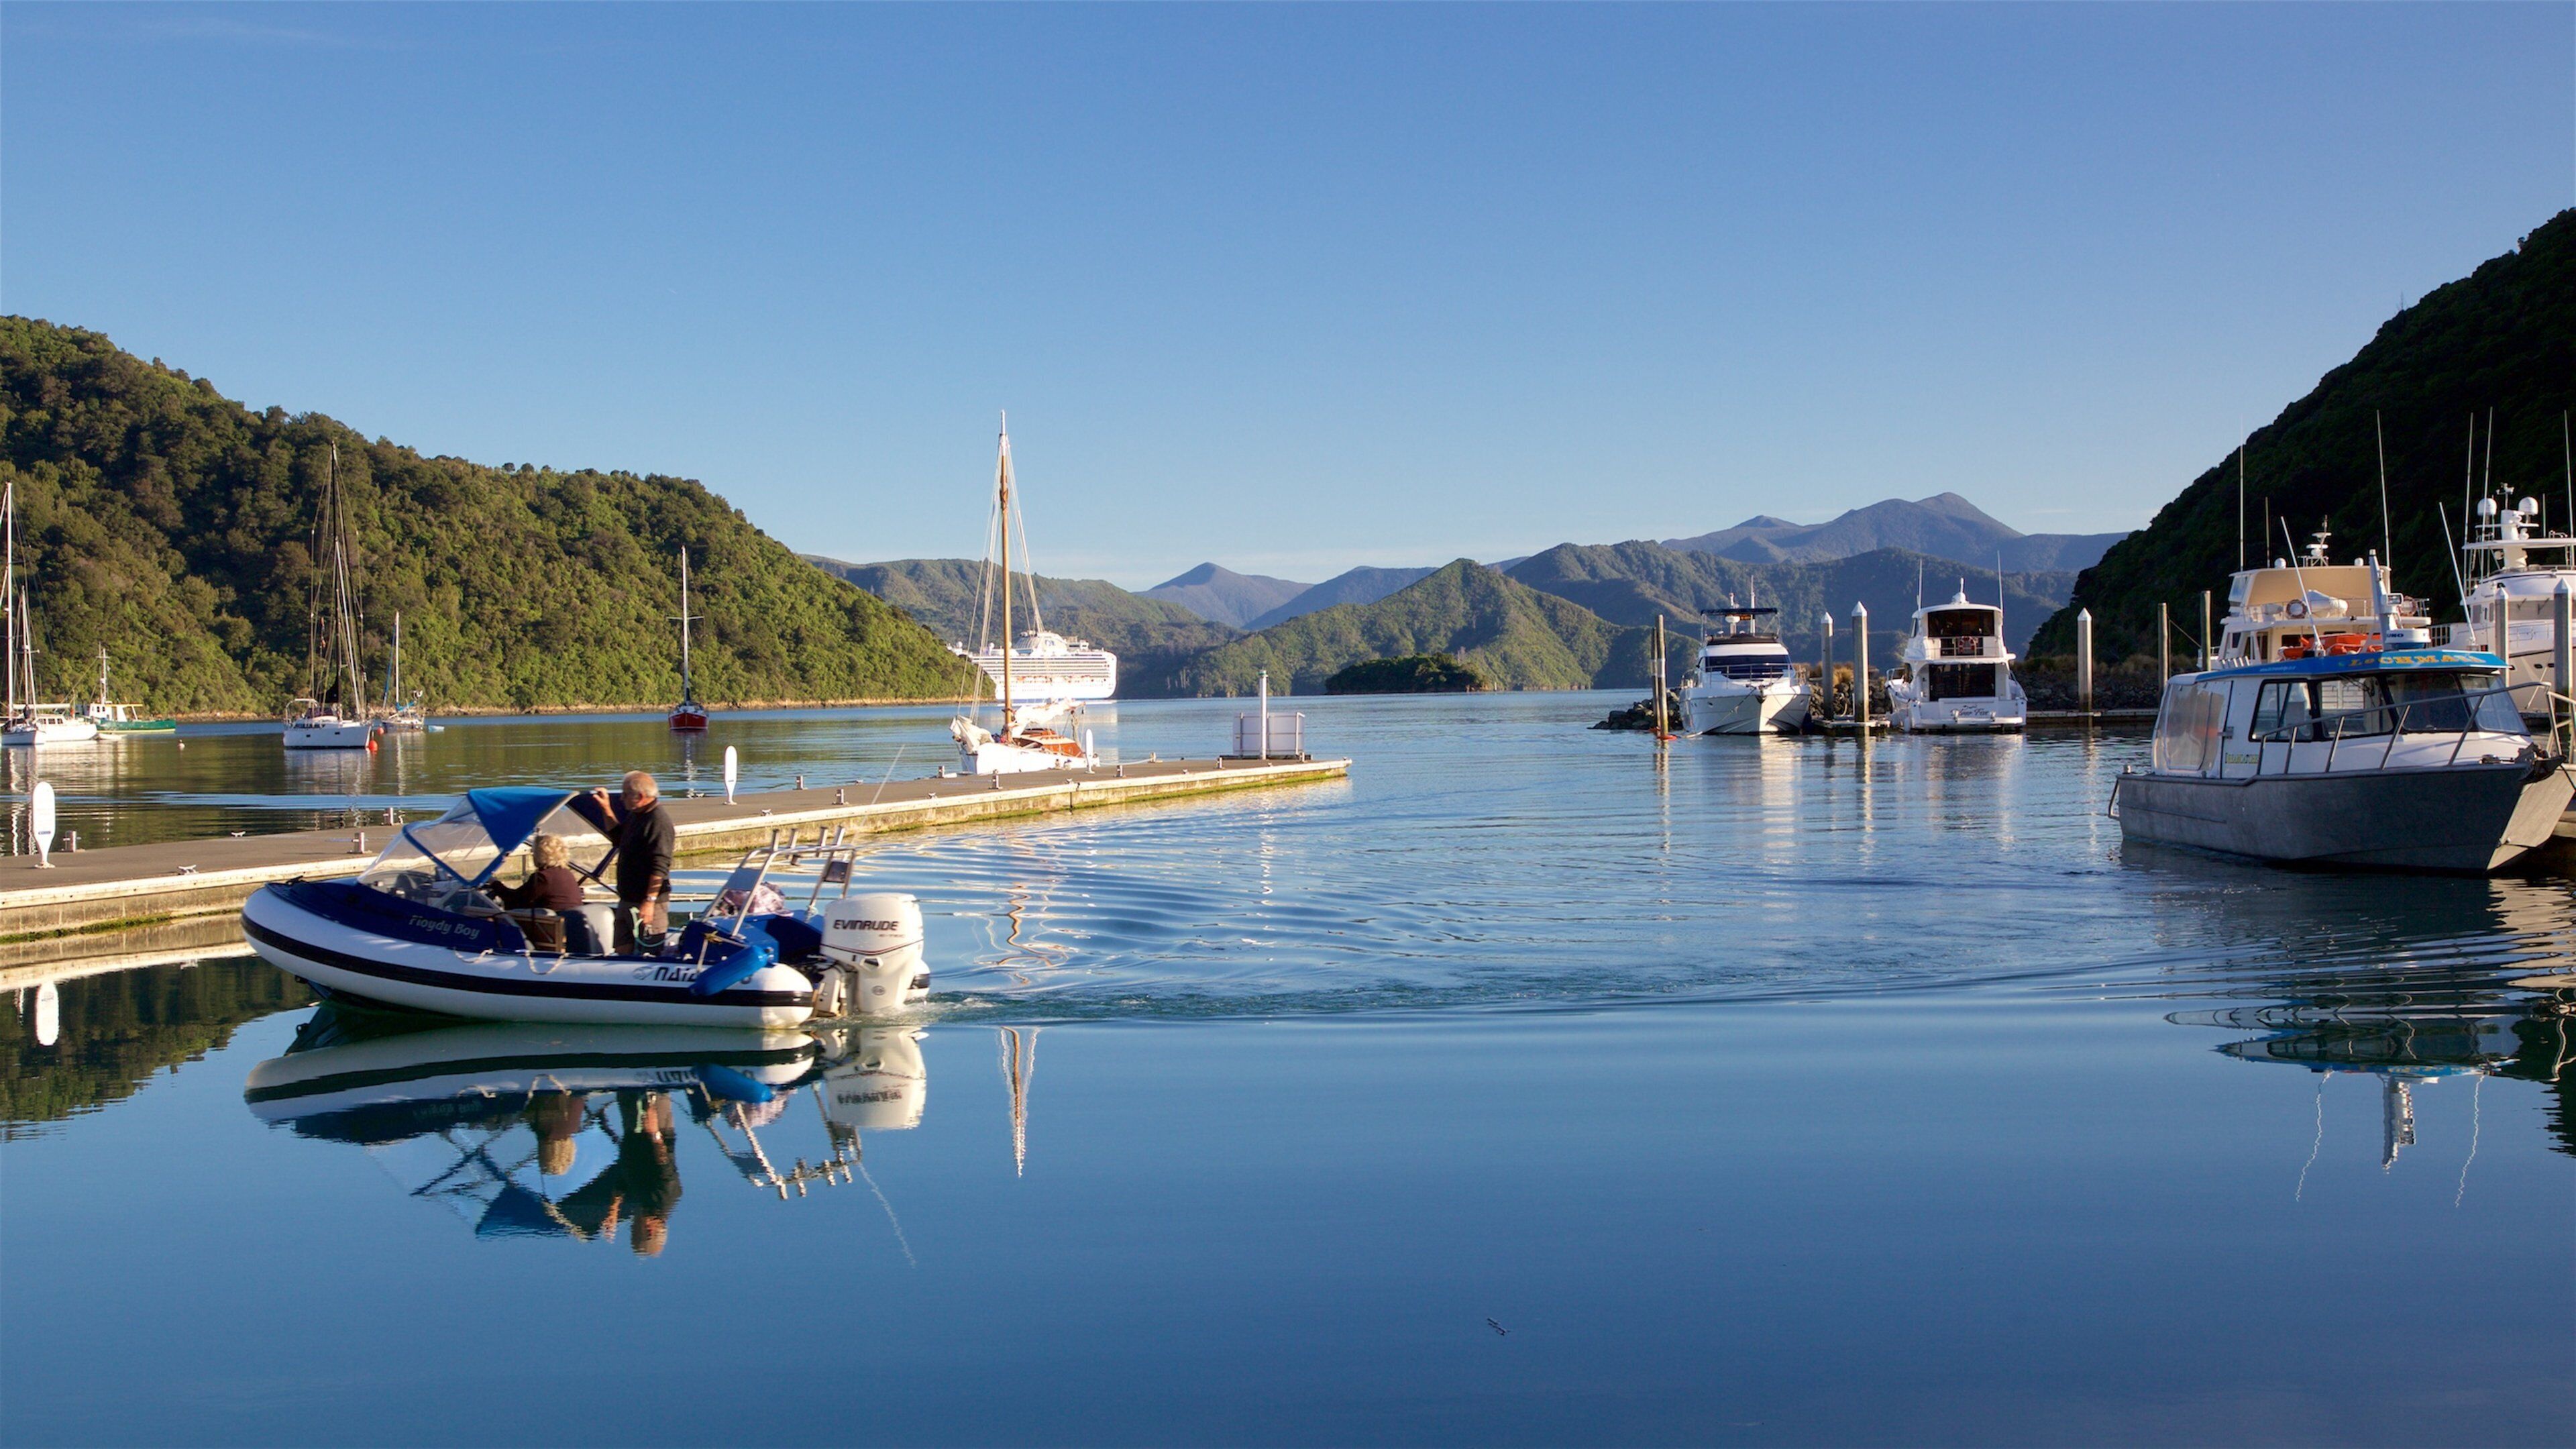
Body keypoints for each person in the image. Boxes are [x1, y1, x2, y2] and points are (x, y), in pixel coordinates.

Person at [592, 770, 676, 954]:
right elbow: (618, 838)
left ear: (640, 796)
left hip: (648, 901)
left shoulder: (658, 822)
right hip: (627, 898)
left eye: (625, 794)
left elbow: (660, 865)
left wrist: (649, 902)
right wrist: (606, 808)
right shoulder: (636, 815)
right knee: (622, 947)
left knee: (649, 952)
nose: (621, 798)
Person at [489, 833, 585, 912]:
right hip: (568, 921)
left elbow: (514, 899)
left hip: (551, 925)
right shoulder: (567, 873)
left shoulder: (543, 877)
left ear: (540, 855)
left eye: (533, 852)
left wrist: (494, 882)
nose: (532, 855)